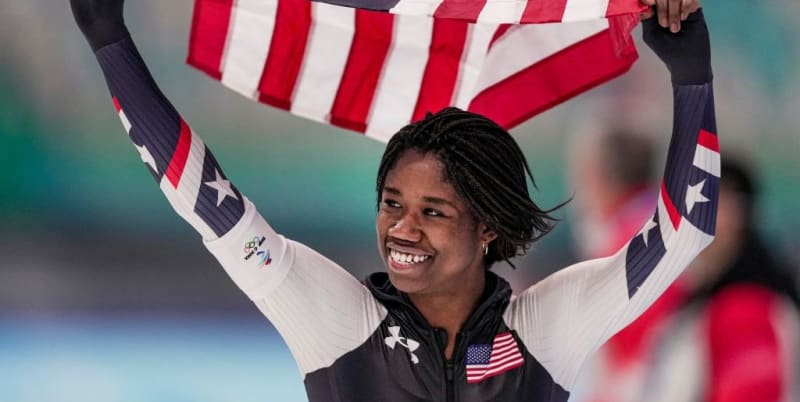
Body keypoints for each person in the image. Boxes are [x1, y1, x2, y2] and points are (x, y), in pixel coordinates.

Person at [70, 0, 716, 400]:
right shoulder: (338, 321)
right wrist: (110, 42)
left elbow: (685, 232)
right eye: (391, 203)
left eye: (434, 211)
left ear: (487, 228)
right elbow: (209, 204)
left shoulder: (542, 330)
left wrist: (692, 79)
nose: (403, 229)